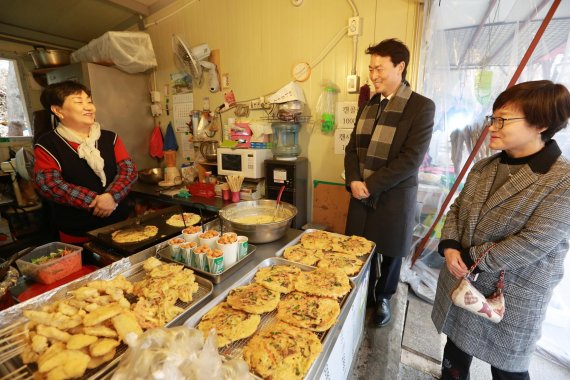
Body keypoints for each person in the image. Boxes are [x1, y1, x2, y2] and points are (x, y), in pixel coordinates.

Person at [432, 80, 570, 379]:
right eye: (492, 118)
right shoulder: (486, 166)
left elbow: (534, 242)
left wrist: (470, 257)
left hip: (511, 295)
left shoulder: (562, 180)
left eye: (502, 120)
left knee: (507, 370)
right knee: (454, 356)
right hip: (463, 284)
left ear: (540, 124)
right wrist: (451, 244)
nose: (492, 126)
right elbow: (458, 207)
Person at [344, 38, 435, 327]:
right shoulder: (368, 105)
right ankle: (358, 294)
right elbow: (350, 150)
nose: (373, 75)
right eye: (371, 68)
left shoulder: (421, 107)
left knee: (391, 253)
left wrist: (369, 185)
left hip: (394, 195)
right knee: (358, 249)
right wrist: (354, 180)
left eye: (379, 68)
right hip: (360, 192)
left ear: (400, 66)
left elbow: (411, 159)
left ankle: (383, 298)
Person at [33, 81, 137, 244]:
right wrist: (94, 201)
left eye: (89, 101)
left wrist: (111, 196)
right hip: (79, 233)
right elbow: (49, 184)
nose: (89, 107)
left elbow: (128, 170)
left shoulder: (110, 138)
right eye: (79, 102)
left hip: (121, 224)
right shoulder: (48, 144)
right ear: (58, 110)